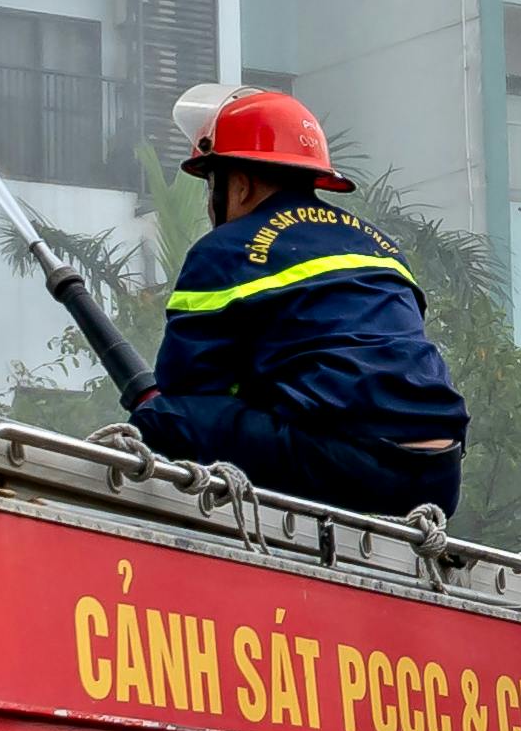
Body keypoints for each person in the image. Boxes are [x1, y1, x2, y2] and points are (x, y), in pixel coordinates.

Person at [128, 89, 471, 517]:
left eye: (211, 182)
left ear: (239, 183)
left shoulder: (226, 248)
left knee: (161, 418)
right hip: (438, 475)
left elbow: (187, 386)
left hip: (350, 461)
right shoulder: (379, 246)